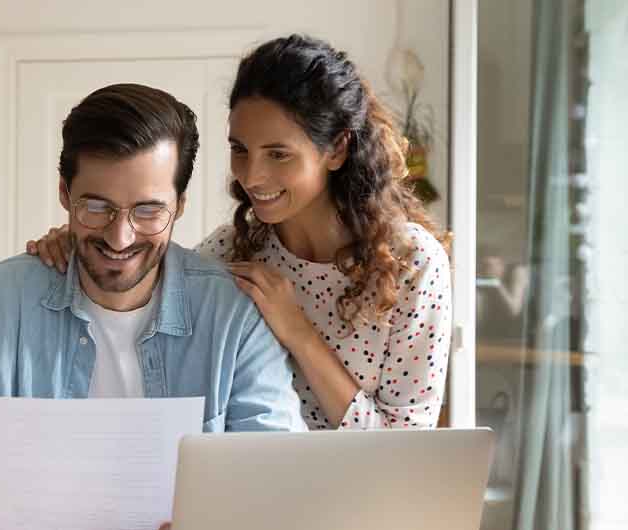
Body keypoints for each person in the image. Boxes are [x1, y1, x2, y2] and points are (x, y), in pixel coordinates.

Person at [0, 83, 304, 530]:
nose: (120, 238)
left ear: (180, 206)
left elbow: (274, 479)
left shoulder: (236, 314)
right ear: (65, 194)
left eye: (148, 211)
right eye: (97, 207)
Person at [28, 34, 453, 432]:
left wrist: (297, 332)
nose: (252, 175)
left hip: (364, 505)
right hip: (252, 495)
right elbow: (138, 275)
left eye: (278, 154)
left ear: (337, 149)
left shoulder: (413, 265)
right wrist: (86, 240)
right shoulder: (231, 252)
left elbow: (402, 445)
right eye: (240, 149)